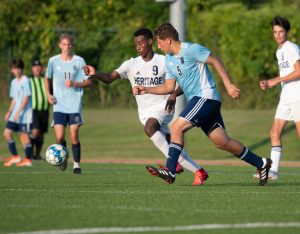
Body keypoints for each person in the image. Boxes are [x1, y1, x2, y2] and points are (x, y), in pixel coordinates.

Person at [133, 23, 272, 186]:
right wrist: (146, 89)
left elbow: (216, 61)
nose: (158, 46)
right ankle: (261, 163)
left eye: (159, 42)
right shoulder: (170, 60)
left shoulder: (191, 49)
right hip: (200, 101)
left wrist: (228, 85)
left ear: (169, 40)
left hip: (206, 96)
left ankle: (170, 171)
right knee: (222, 142)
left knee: (176, 127)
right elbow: (169, 87)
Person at [83, 28, 208, 185]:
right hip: (144, 113)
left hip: (163, 107)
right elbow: (109, 78)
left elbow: (184, 81)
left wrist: (173, 95)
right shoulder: (131, 64)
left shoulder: (164, 61)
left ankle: (173, 166)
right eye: (136, 44)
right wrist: (95, 73)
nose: (138, 46)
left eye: (141, 42)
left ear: (150, 42)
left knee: (150, 128)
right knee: (173, 147)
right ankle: (199, 171)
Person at [254, 16, 300, 180]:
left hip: (297, 96)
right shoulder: (279, 51)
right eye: (275, 32)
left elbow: (299, 71)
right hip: (286, 96)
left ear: (286, 32)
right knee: (274, 132)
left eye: (281, 31)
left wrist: (275, 80)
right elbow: (287, 73)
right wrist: (270, 82)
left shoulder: (291, 48)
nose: (278, 35)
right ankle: (273, 172)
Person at [44, 33, 91, 174]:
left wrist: (75, 83)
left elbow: (89, 82)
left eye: (69, 44)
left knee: (74, 135)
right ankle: (63, 157)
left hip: (74, 105)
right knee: (59, 137)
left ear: (72, 45)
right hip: (59, 105)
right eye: (64, 44)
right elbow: (46, 77)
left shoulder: (80, 61)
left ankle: (76, 165)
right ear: (60, 45)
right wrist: (48, 94)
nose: (67, 47)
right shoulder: (53, 61)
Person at [3, 59, 33, 167]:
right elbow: (14, 99)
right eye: (15, 69)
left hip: (25, 115)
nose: (17, 71)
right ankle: (15, 157)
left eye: (19, 68)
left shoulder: (25, 80)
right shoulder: (13, 82)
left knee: (23, 136)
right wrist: (10, 112)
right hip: (14, 114)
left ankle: (28, 159)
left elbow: (27, 97)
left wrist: (19, 111)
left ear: (22, 69)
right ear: (12, 70)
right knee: (7, 133)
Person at [29, 60, 50, 160]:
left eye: (39, 66)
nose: (37, 68)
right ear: (32, 68)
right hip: (33, 110)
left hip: (45, 109)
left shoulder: (45, 80)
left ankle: (37, 155)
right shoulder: (29, 80)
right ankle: (29, 153)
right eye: (35, 66)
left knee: (41, 133)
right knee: (35, 131)